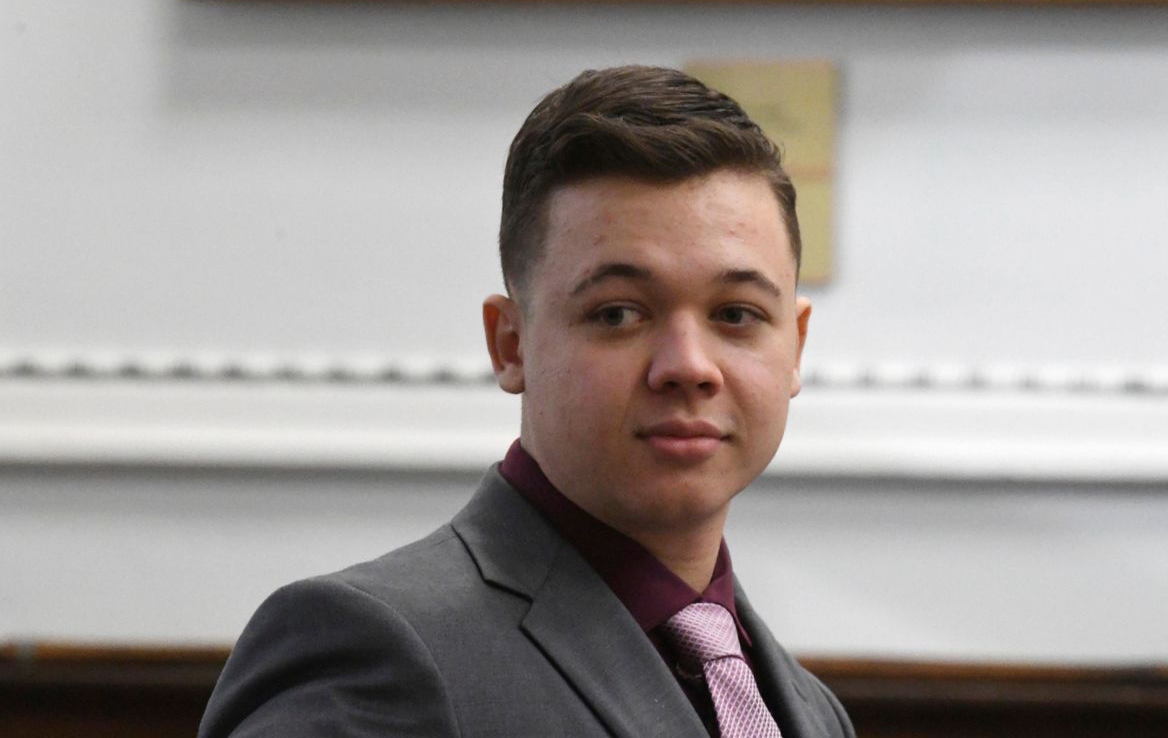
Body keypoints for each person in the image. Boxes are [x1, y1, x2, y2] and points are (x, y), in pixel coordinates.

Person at [199, 66, 854, 738]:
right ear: (510, 345)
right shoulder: (374, 654)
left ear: (795, 346)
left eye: (737, 314)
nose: (687, 367)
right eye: (619, 314)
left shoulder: (809, 712)